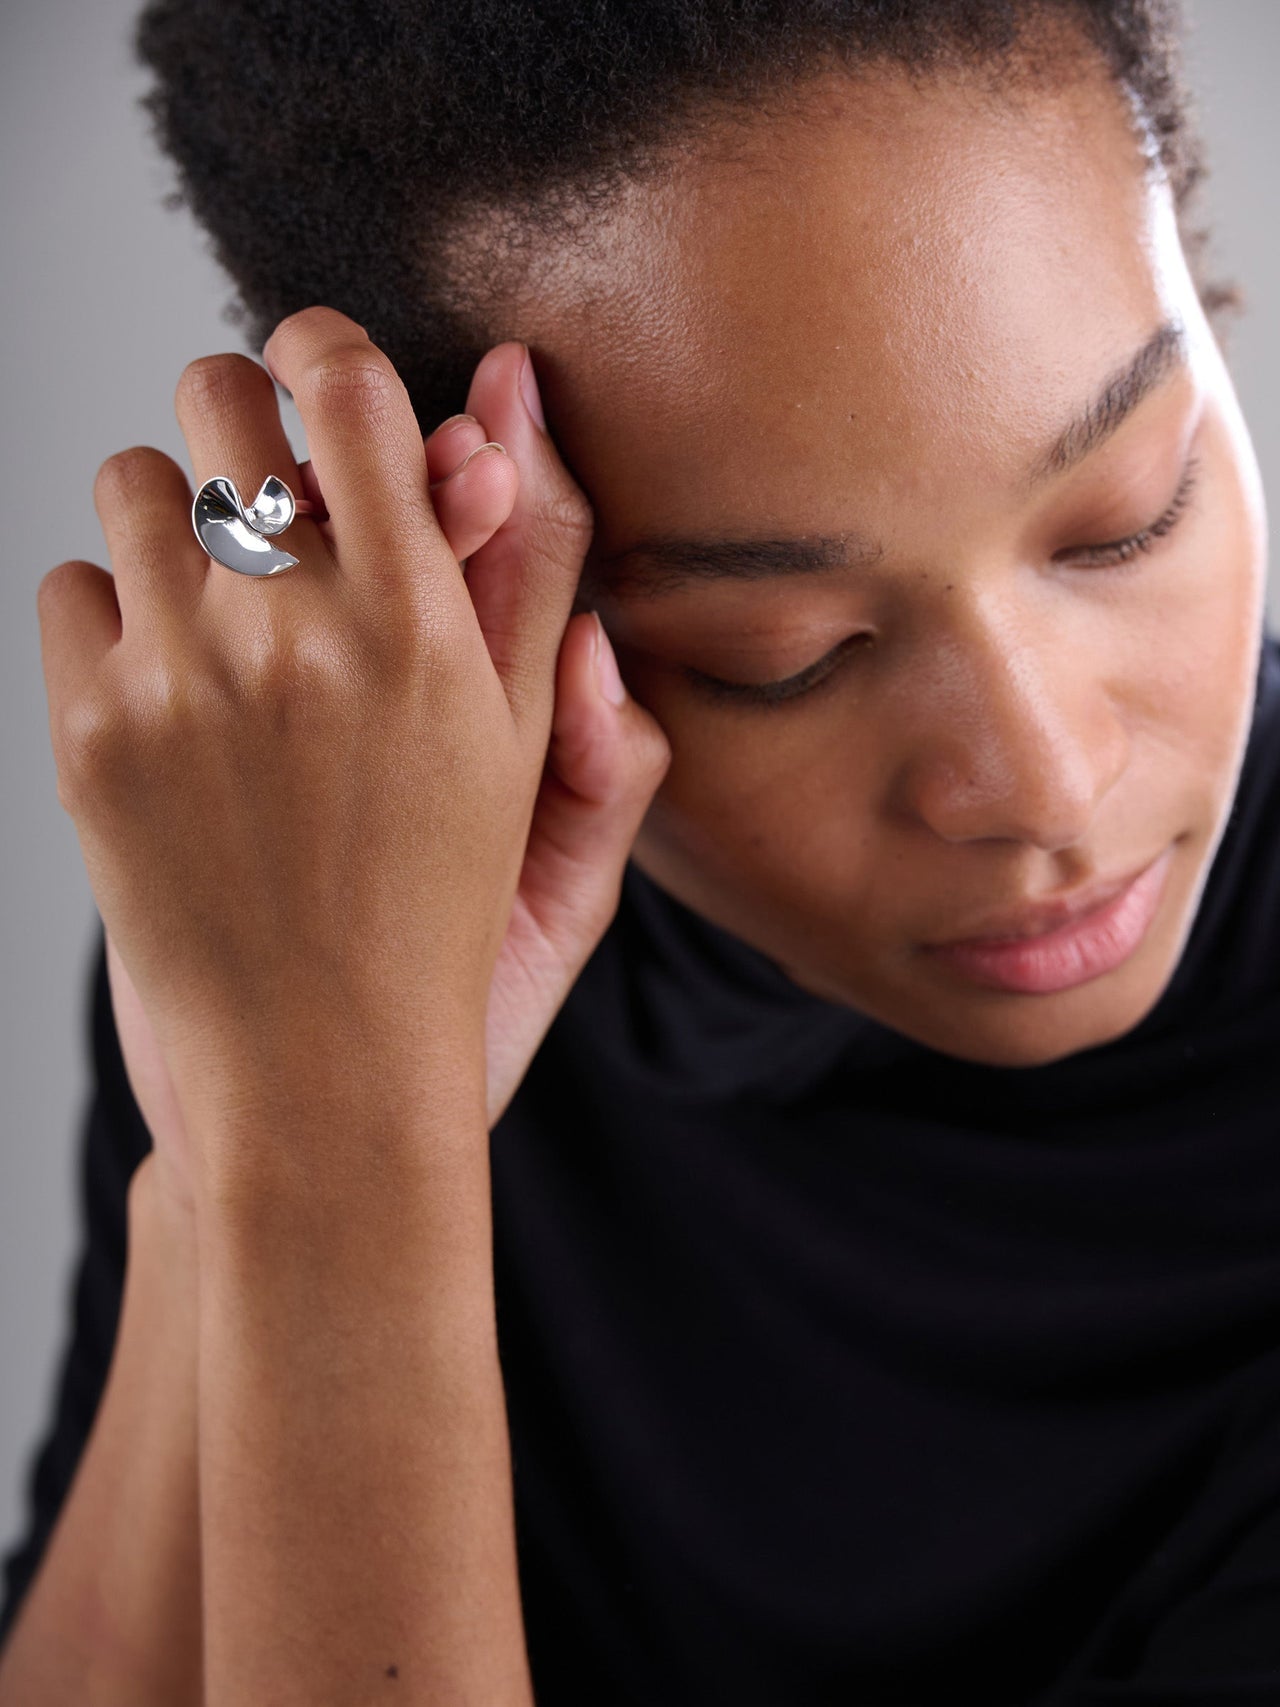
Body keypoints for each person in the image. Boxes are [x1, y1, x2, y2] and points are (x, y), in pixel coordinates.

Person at [1, 0, 1277, 1699]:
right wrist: (285, 1135)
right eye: (785, 655)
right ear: (482, 597)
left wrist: (329, 1164)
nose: (1044, 781)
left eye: (1133, 512)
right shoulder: (342, 935)